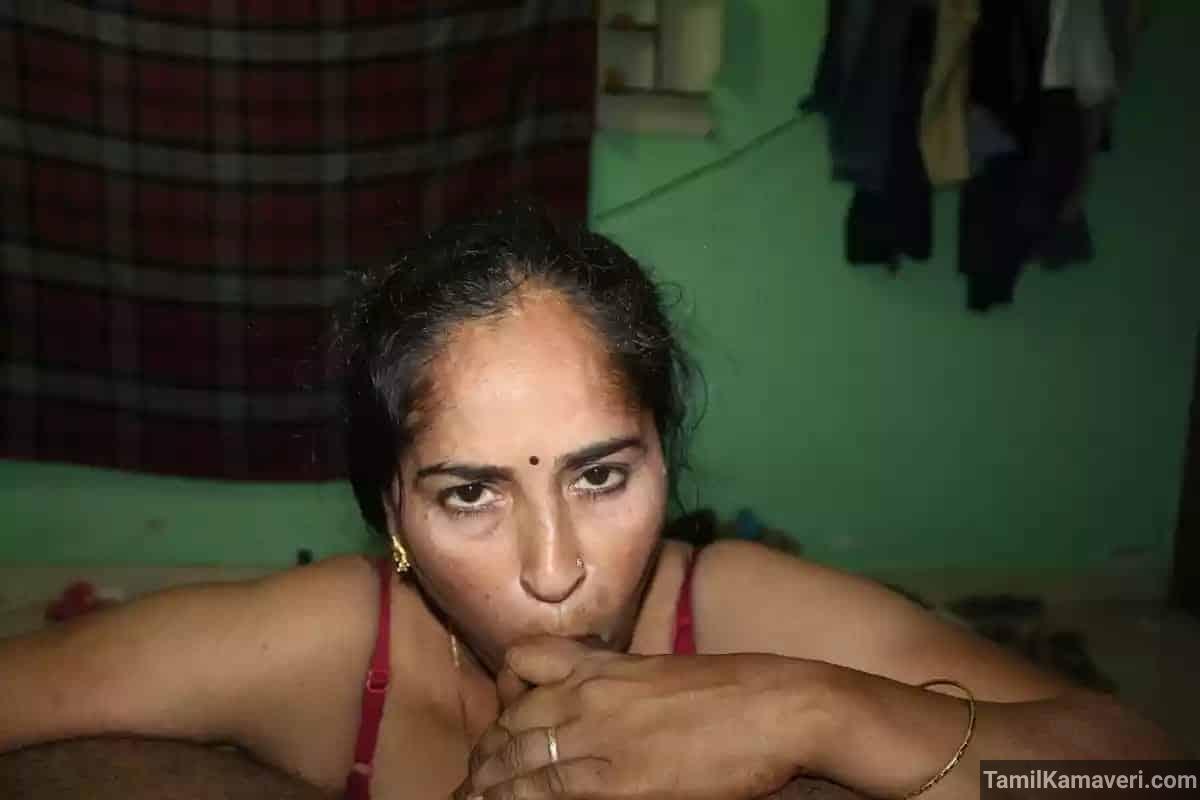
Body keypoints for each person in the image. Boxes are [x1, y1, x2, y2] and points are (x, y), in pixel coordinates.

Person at [0, 206, 1180, 799]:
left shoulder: (739, 611)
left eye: (602, 474)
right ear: (391, 515)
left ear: (667, 458)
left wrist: (816, 709)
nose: (556, 566)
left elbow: (1147, 772)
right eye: (471, 493)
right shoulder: (327, 649)